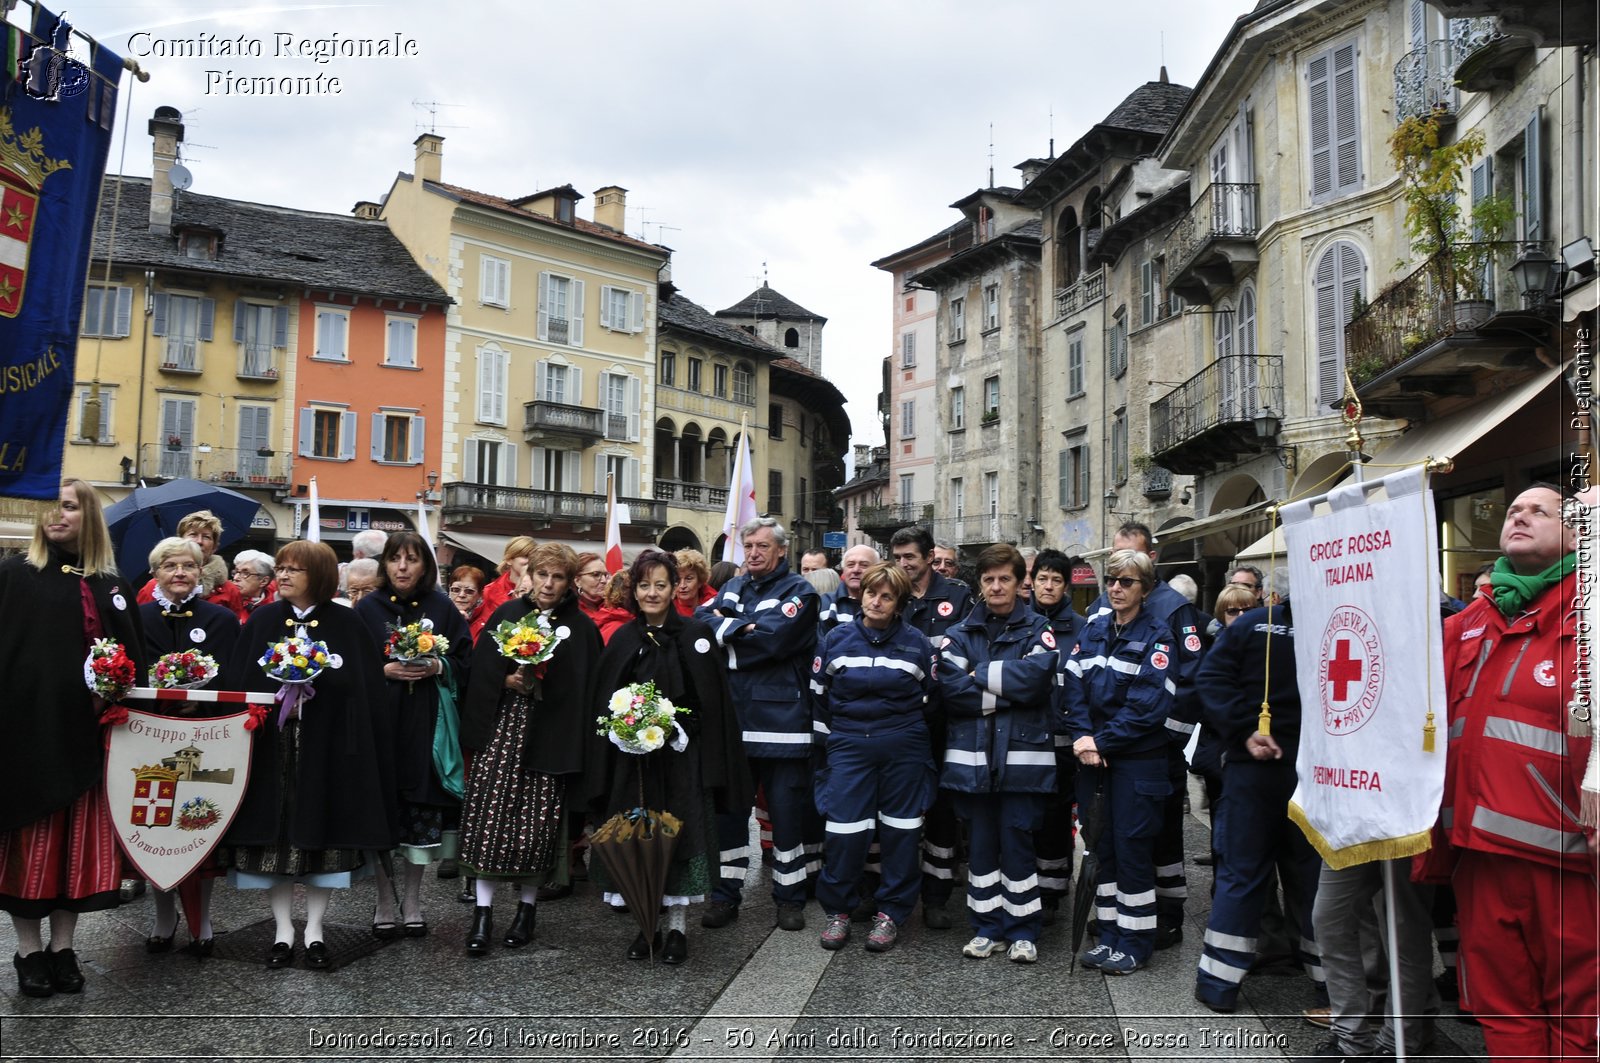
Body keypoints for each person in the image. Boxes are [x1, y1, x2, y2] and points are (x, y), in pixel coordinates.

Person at [1429, 483, 1594, 1063]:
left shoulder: (1589, 611)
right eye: (1515, 510)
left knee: (1582, 1020)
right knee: (1503, 1013)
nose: (1520, 516)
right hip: (1480, 854)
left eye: (1539, 511)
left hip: (1568, 861)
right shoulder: (1472, 619)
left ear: (1576, 534)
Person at [0, 479, 145, 998]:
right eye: (48, 508)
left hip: (90, 739)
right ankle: (27, 951)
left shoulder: (111, 583)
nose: (55, 516)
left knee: (76, 851)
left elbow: (133, 661)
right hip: (28, 734)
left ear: (88, 516)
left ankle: (62, 948)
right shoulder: (14, 573)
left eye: (66, 507)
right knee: (29, 846)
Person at [224, 540, 392, 970]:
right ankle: (282, 929)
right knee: (274, 842)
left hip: (327, 748)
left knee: (324, 839)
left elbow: (363, 688)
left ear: (316, 575)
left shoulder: (347, 623)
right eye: (279, 568)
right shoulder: (263, 620)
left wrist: (319, 694)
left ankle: (315, 928)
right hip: (272, 748)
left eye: (293, 569)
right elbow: (242, 681)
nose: (282, 576)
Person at [586, 550, 752, 965]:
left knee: (680, 839)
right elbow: (606, 700)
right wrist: (626, 731)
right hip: (634, 763)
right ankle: (647, 926)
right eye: (645, 585)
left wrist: (675, 728)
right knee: (639, 838)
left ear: (675, 586)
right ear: (633, 590)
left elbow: (708, 704)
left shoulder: (695, 634)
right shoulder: (624, 638)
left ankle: (676, 929)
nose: (653, 592)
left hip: (680, 760)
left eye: (661, 584)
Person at [458, 544, 601, 956]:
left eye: (557, 577)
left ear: (569, 581)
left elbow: (584, 689)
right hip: (502, 730)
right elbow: (479, 671)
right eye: (542, 575)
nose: (549, 584)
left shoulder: (581, 627)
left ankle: (526, 910)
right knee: (488, 814)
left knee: (537, 825)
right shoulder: (505, 616)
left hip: (550, 737)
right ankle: (482, 913)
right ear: (531, 576)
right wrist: (506, 681)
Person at [1192, 590, 1324, 1014]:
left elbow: (1209, 678)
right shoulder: (1342, 622)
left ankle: (1218, 983)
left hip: (1254, 769)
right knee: (1313, 879)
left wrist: (1245, 730)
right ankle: (1328, 985)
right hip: (1316, 772)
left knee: (1242, 874)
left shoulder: (1252, 625)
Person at [698, 517, 820, 931]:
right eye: (748, 546)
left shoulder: (799, 591)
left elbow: (776, 641)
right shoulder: (733, 586)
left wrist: (728, 635)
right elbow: (701, 620)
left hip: (783, 724)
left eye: (762, 546)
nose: (752, 553)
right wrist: (739, 629)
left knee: (787, 817)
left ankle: (789, 897)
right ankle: (724, 896)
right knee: (730, 816)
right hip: (735, 722)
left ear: (781, 551)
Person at [1091, 521, 1208, 949]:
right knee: (1114, 839)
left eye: (1131, 562)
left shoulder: (1173, 609)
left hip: (1153, 748)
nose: (1119, 576)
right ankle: (1123, 915)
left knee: (1156, 837)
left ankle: (1167, 916)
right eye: (1113, 564)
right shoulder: (1101, 609)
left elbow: (1190, 683)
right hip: (1109, 751)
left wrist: (1164, 738)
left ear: (1150, 562)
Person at [937, 543, 1056, 962]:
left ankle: (1024, 931)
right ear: (980, 584)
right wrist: (1008, 691)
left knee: (1019, 844)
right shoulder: (959, 633)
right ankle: (987, 928)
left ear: (1020, 582)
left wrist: (980, 673)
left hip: (1022, 762)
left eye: (1005, 578)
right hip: (973, 763)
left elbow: (1038, 682)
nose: (996, 586)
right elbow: (952, 692)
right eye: (988, 579)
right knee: (982, 848)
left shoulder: (1038, 629)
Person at [813, 562, 938, 954]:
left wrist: (901, 734)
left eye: (886, 596)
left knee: (901, 833)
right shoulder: (836, 639)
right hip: (849, 744)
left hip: (903, 747)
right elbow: (820, 696)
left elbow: (932, 700)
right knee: (844, 832)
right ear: (861, 594)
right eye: (871, 593)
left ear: (899, 602)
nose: (877, 601)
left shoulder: (918, 643)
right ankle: (839, 911)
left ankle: (891, 914)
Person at [1063, 549, 1177, 975]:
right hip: (1093, 760)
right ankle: (1110, 935)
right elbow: (1070, 685)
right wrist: (1081, 737)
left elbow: (1147, 706)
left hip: (1134, 764)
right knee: (1101, 849)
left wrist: (1100, 741)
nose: (1115, 587)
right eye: (1111, 579)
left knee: (1131, 852)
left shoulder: (1158, 637)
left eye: (1126, 581)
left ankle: (1134, 943)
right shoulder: (1094, 629)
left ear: (1145, 589)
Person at [355, 531, 472, 939]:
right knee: (383, 813)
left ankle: (412, 899)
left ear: (425, 566)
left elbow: (464, 658)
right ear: (384, 565)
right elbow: (348, 664)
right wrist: (381, 670)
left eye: (412, 559)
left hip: (425, 722)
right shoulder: (367, 607)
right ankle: (384, 899)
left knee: (421, 817)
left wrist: (439, 668)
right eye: (395, 559)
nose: (402, 567)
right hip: (382, 721)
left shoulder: (442, 607)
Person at [137, 536, 240, 955]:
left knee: (198, 827)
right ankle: (165, 916)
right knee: (153, 825)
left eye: (188, 566)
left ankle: (204, 921)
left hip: (204, 738)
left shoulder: (220, 619)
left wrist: (205, 695)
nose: (180, 573)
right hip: (148, 737)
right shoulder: (137, 617)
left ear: (202, 571)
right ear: (155, 573)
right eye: (170, 566)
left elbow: (233, 675)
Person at [890, 525, 973, 929]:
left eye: (910, 557)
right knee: (897, 810)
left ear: (927, 557)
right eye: (898, 557)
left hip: (945, 722)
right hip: (900, 722)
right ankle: (888, 892)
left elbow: (971, 653)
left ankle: (937, 896)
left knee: (942, 811)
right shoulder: (891, 594)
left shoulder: (957, 596)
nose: (904, 564)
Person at [1029, 549, 1085, 925]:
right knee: (1027, 816)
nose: (1048, 586)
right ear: (1031, 581)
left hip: (1064, 743)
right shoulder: (1020, 621)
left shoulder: (1081, 628)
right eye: (1042, 578)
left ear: (1065, 585)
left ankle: (1052, 890)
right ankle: (1026, 883)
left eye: (1056, 580)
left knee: (1056, 819)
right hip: (1025, 739)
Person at [135, 510, 247, 621]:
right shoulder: (153, 588)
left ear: (215, 546)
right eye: (193, 534)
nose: (199, 541)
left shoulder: (230, 591)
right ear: (181, 541)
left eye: (206, 537)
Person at [475, 535, 538, 640]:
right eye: (525, 556)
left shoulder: (543, 589)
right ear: (509, 560)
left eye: (534, 557)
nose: (530, 561)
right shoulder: (489, 591)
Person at [818, 544, 878, 639]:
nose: (856, 570)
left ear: (877, 570)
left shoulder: (884, 605)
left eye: (864, 565)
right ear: (843, 570)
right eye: (850, 565)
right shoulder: (824, 603)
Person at [575, 551, 632, 644]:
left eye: (605, 575)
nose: (604, 580)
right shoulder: (570, 611)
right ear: (577, 580)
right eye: (596, 574)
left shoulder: (618, 608)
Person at [672, 548, 717, 617]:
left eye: (688, 579)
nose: (682, 585)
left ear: (700, 581)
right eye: (677, 579)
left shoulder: (715, 604)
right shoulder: (665, 609)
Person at [231, 550, 277, 616]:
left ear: (264, 581)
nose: (235, 578)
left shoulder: (275, 610)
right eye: (236, 572)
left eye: (246, 573)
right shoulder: (222, 601)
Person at [447, 564, 488, 629]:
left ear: (480, 594)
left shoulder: (487, 620)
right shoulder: (439, 612)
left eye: (469, 591)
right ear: (449, 589)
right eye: (456, 590)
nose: (461, 595)